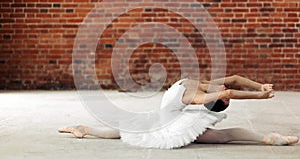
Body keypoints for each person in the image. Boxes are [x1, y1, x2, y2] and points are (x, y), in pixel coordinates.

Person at [58, 75, 299, 149]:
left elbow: (231, 86)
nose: (224, 89)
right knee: (221, 136)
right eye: (223, 97)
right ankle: (85, 129)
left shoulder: (198, 87)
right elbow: (232, 86)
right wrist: (259, 91)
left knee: (126, 128)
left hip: (168, 116)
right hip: (167, 123)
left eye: (223, 97)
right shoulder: (200, 91)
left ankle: (271, 138)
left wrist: (261, 92)